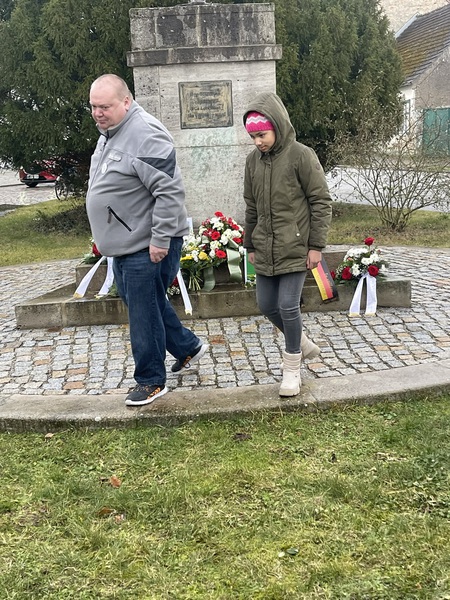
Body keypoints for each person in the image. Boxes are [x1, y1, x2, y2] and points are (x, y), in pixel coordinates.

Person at [86, 74, 208, 407]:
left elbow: (169, 191)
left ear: (126, 101)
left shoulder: (145, 133)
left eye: (105, 106)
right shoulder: (111, 132)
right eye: (93, 106)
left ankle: (151, 380)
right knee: (144, 303)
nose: (98, 113)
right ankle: (187, 347)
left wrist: (161, 238)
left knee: (143, 312)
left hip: (146, 242)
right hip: (127, 242)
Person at [243, 92, 332, 397]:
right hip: (264, 248)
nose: (258, 142)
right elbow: (251, 206)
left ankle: (292, 367)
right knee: (266, 305)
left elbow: (321, 201)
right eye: (253, 137)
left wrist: (316, 245)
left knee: (287, 306)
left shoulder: (301, 155)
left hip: (296, 248)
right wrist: (249, 245)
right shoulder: (252, 161)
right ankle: (303, 342)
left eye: (262, 135)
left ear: (277, 127)